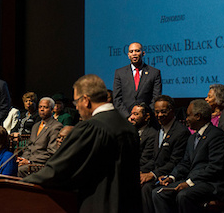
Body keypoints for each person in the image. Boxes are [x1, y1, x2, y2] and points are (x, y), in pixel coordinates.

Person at [23, 74, 141, 212]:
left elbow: (60, 169)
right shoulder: (128, 127)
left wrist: (22, 184)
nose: (77, 108)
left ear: (85, 100)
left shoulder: (93, 127)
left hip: (100, 205)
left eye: (76, 102)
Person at [152, 100, 224, 212]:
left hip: (212, 184)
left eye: (188, 115)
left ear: (198, 116)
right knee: (158, 193)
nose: (186, 119)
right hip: (195, 181)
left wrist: (189, 182)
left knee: (184, 195)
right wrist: (171, 177)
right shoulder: (192, 138)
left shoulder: (216, 136)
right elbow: (185, 163)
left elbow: (215, 168)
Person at [139, 95, 190, 213]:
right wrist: (142, 171)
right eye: (156, 112)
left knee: (147, 188)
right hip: (159, 173)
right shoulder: (159, 130)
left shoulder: (180, 132)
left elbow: (175, 161)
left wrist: (153, 174)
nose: (159, 115)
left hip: (173, 175)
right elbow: (155, 159)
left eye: (163, 111)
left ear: (172, 110)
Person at [113, 42, 162, 118]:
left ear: (143, 53)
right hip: (126, 119)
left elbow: (156, 97)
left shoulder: (154, 73)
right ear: (128, 55)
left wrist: (144, 115)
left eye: (137, 51)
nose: (134, 54)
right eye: (131, 51)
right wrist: (128, 116)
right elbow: (117, 99)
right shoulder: (120, 73)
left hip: (146, 119)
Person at [17, 97, 63, 177]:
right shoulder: (36, 126)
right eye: (40, 107)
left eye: (45, 107)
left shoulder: (56, 126)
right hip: (30, 161)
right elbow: (29, 147)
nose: (42, 109)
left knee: (22, 169)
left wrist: (29, 162)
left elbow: (52, 152)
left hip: (41, 164)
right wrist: (23, 158)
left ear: (52, 110)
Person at [128, 103, 157, 168]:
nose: (131, 117)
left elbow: (145, 160)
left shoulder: (152, 134)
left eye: (136, 114)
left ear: (146, 117)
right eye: (131, 114)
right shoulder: (128, 131)